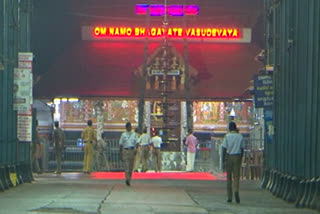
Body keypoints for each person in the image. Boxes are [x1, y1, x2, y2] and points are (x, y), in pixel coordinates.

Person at [222, 122, 244, 203]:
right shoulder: (240, 136)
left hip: (229, 157)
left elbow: (224, 148)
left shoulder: (227, 136)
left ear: (229, 128)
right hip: (237, 156)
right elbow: (242, 149)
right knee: (236, 176)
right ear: (235, 127)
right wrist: (240, 158)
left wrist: (224, 159)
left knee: (229, 178)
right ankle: (236, 190)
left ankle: (229, 197)